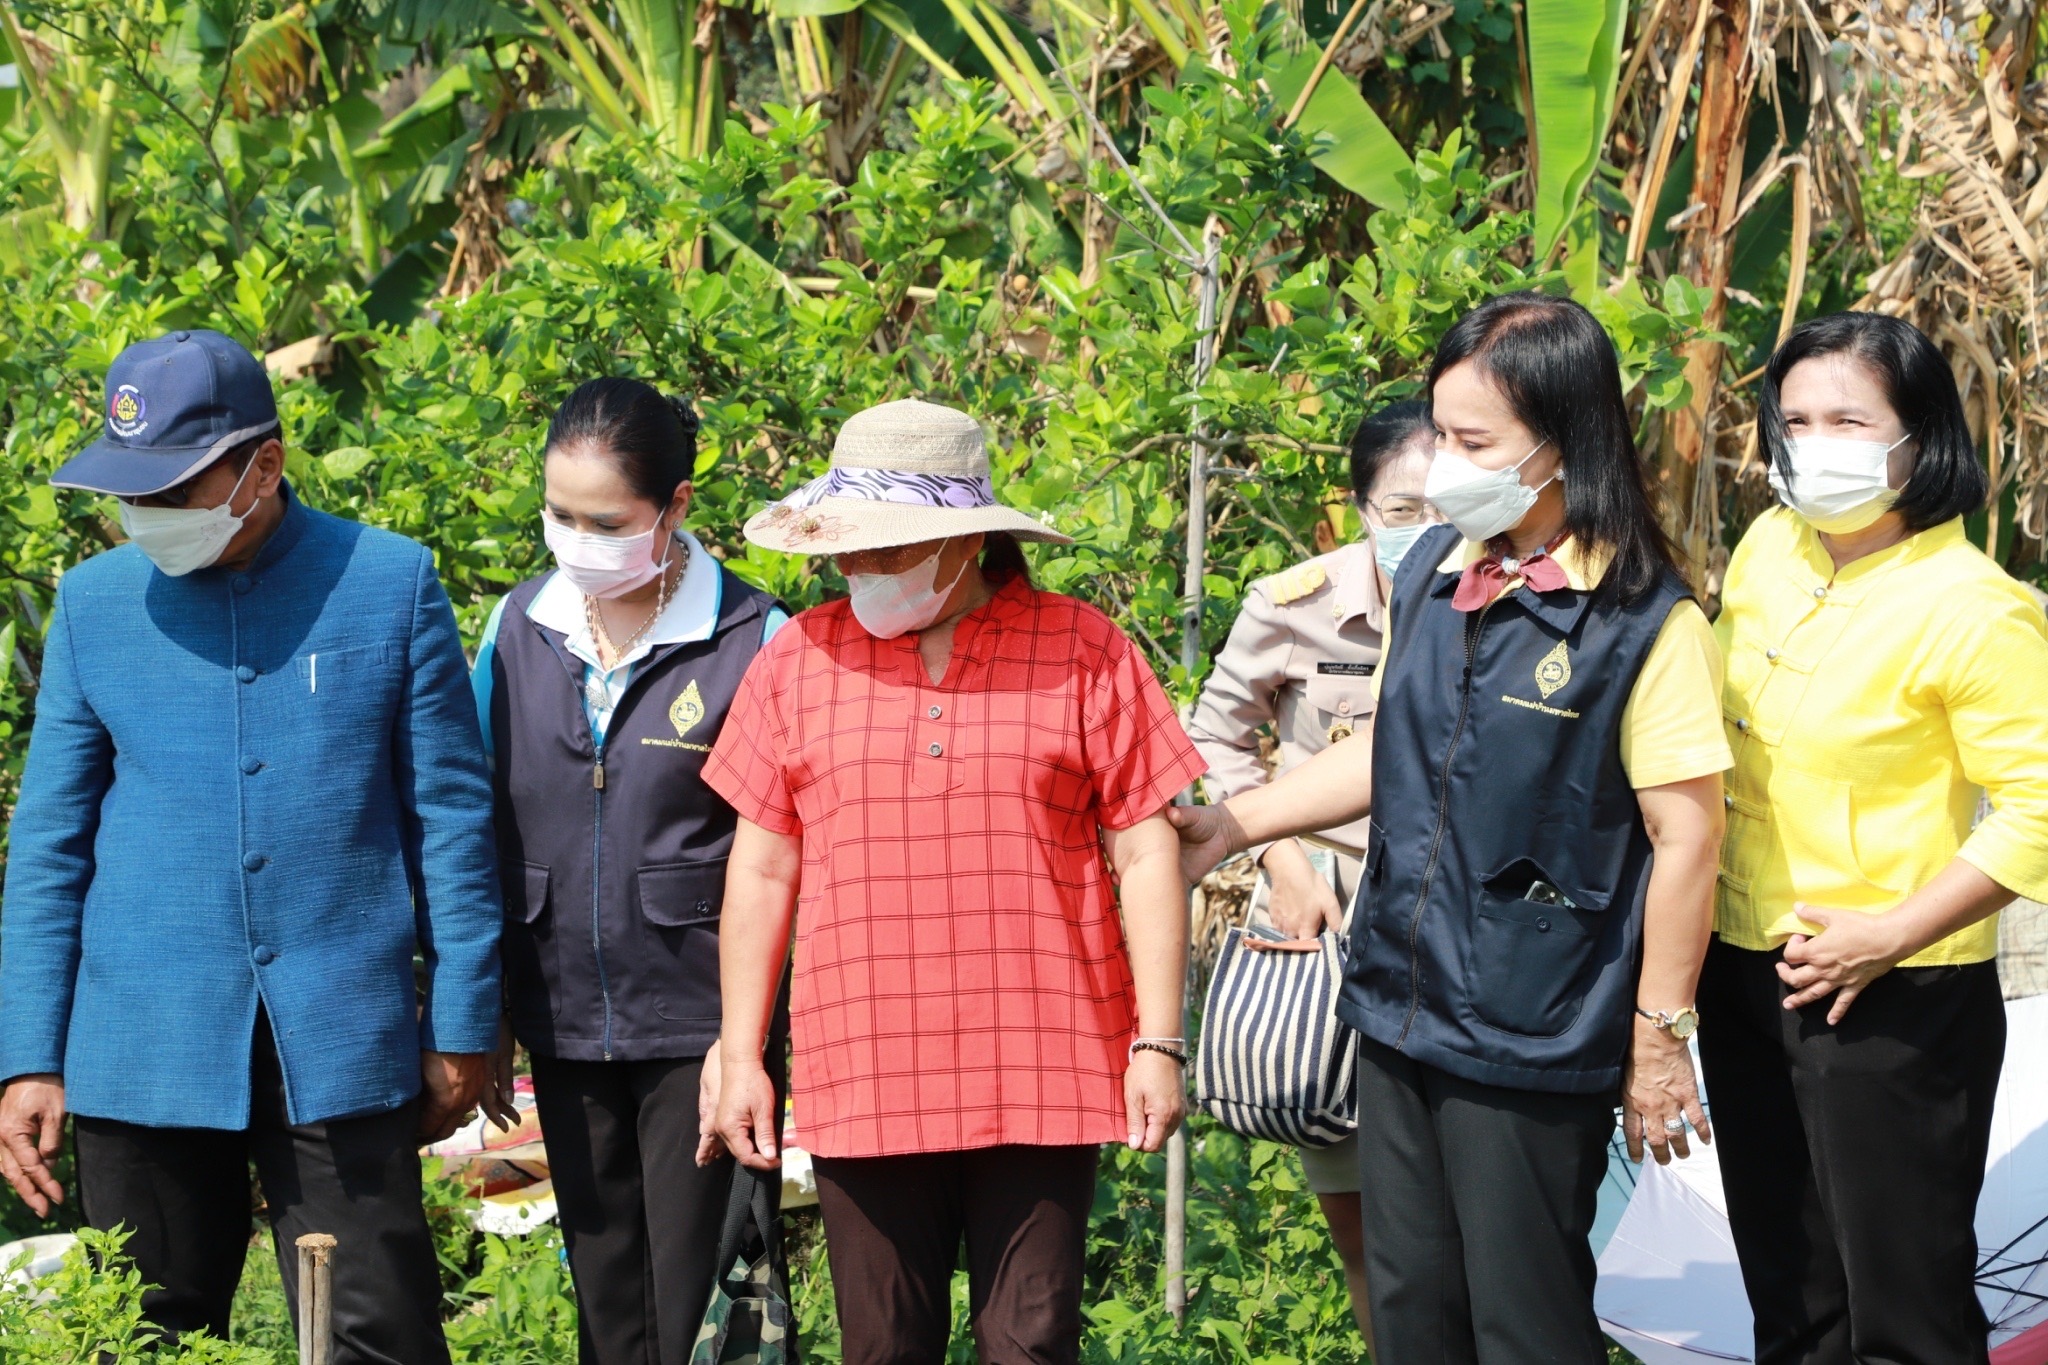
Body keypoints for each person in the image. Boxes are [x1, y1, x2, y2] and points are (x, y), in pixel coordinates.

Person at [1172, 292, 1733, 1364]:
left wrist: (1657, 1040)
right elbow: (1388, 745)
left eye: (1471, 443)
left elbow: (1687, 842)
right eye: (1440, 437)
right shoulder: (1435, 571)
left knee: (1521, 1321)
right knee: (1410, 1308)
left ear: (1562, 445)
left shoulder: (1643, 621)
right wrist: (1231, 825)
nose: (1440, 470)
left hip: (1531, 1026)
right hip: (1395, 1003)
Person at [0, 329, 500, 1361]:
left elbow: (453, 825)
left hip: (340, 1041)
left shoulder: (387, 584)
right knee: (151, 1335)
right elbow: (50, 847)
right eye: (129, 493)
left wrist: (463, 1025)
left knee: (378, 1333)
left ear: (262, 465)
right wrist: (30, 1057)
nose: (147, 518)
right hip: (142, 1049)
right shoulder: (95, 608)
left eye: (174, 490)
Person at [696, 399, 1204, 1365]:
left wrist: (1159, 1040)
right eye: (847, 551)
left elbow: (1147, 850)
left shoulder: (1084, 648)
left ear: (967, 540)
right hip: (866, 1064)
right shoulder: (798, 657)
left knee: (1033, 1341)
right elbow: (762, 865)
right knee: (883, 1346)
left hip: (1048, 1060)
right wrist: (741, 1050)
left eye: (886, 550)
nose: (859, 573)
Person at [1701, 312, 2048, 1365]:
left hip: (1889, 994)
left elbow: (2039, 804)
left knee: (1905, 1312)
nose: (1815, 444)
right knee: (1791, 1298)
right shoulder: (1769, 549)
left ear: (1919, 437)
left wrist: (1891, 931)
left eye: (1848, 419)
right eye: (1794, 420)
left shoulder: (1975, 608)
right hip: (1742, 963)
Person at [470, 378, 787, 1365]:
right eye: (558, 515)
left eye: (605, 521)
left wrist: (745, 1042)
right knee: (606, 1301)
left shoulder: (754, 639)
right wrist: (480, 1010)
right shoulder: (516, 628)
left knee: (703, 1305)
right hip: (559, 1015)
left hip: (700, 1024)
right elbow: (471, 820)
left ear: (677, 507)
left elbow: (779, 854)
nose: (575, 539)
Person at [1183, 398, 1440, 1336]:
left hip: (1444, 914)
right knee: (1358, 1208)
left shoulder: (1489, 593)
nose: (1426, 529)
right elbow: (1213, 732)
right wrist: (1281, 863)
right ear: (1362, 506)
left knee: (1453, 1201)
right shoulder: (1296, 602)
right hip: (1320, 910)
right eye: (1402, 510)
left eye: (1442, 506)